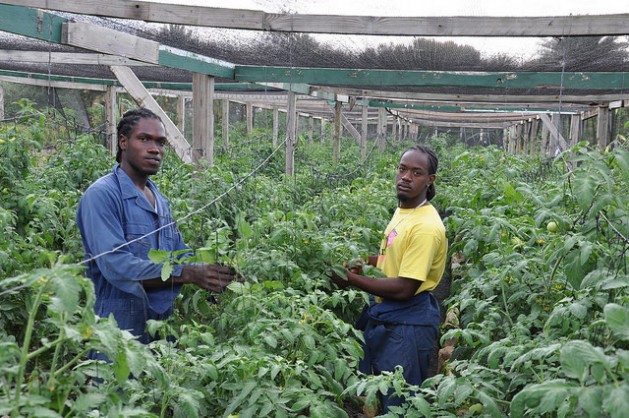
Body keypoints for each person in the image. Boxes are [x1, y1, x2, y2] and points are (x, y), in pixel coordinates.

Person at [77, 107, 237, 346]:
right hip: (115, 331)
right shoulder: (103, 195)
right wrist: (189, 273)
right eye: (144, 139)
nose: (155, 149)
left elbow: (179, 253)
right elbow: (116, 265)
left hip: (160, 331)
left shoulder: (159, 200)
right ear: (123, 142)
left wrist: (219, 272)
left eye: (161, 143)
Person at [331, 144, 447, 412]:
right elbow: (395, 260)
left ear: (430, 180)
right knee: (384, 395)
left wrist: (349, 279)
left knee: (399, 402)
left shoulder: (425, 227)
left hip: (407, 323)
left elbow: (405, 286)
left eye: (416, 172)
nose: (406, 177)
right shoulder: (405, 211)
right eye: (402, 169)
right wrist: (365, 262)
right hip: (390, 313)